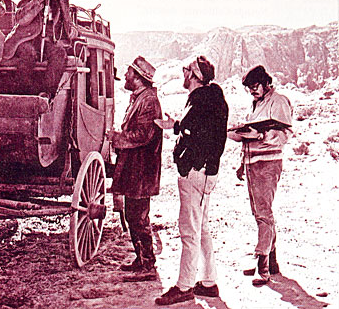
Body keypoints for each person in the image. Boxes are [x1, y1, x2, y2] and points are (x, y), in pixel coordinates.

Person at [154, 56, 229, 305]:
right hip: (204, 173)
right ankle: (209, 282)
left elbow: (200, 136)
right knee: (202, 228)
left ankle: (184, 286)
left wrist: (191, 163)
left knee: (189, 231)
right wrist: (176, 125)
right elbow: (198, 130)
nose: (183, 74)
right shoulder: (211, 99)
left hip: (196, 173)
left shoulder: (202, 101)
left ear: (194, 75)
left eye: (185, 70)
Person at [227, 65, 292, 286]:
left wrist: (261, 134)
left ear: (266, 83)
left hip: (268, 164)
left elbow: (285, 134)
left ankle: (262, 266)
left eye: (254, 87)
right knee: (259, 213)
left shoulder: (279, 101)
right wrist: (240, 161)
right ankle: (272, 262)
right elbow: (248, 136)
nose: (252, 92)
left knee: (264, 214)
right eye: (249, 88)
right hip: (252, 163)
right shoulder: (256, 104)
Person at [106, 56, 163, 277]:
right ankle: (141, 260)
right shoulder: (140, 98)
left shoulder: (148, 101)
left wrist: (118, 138)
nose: (126, 75)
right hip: (135, 168)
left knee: (139, 217)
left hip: (141, 169)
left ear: (138, 78)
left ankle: (148, 265)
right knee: (132, 216)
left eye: (130, 72)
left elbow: (144, 135)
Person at [3, 0, 77, 97]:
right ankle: (24, 94)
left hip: (50, 43)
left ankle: (47, 94)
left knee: (60, 54)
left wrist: (71, 32)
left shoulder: (63, 2)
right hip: (25, 40)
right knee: (28, 53)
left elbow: (69, 26)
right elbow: (20, 19)